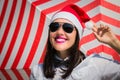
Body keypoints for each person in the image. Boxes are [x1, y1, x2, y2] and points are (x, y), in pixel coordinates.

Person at [30, 4, 120, 80]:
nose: (59, 32)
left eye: (67, 28)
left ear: (77, 35)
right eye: (54, 26)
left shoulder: (96, 64)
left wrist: (113, 42)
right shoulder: (37, 71)